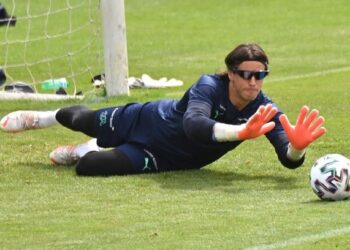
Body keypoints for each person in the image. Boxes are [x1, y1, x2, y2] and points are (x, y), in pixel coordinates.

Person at [0, 43, 326, 176]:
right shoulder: (208, 86)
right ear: (230, 73)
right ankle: (41, 118)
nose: (254, 82)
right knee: (82, 118)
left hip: (167, 158)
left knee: (89, 167)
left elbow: (288, 158)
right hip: (147, 120)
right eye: (247, 74)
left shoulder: (265, 109)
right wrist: (241, 132)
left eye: (261, 75)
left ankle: (86, 149)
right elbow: (193, 125)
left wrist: (296, 148)